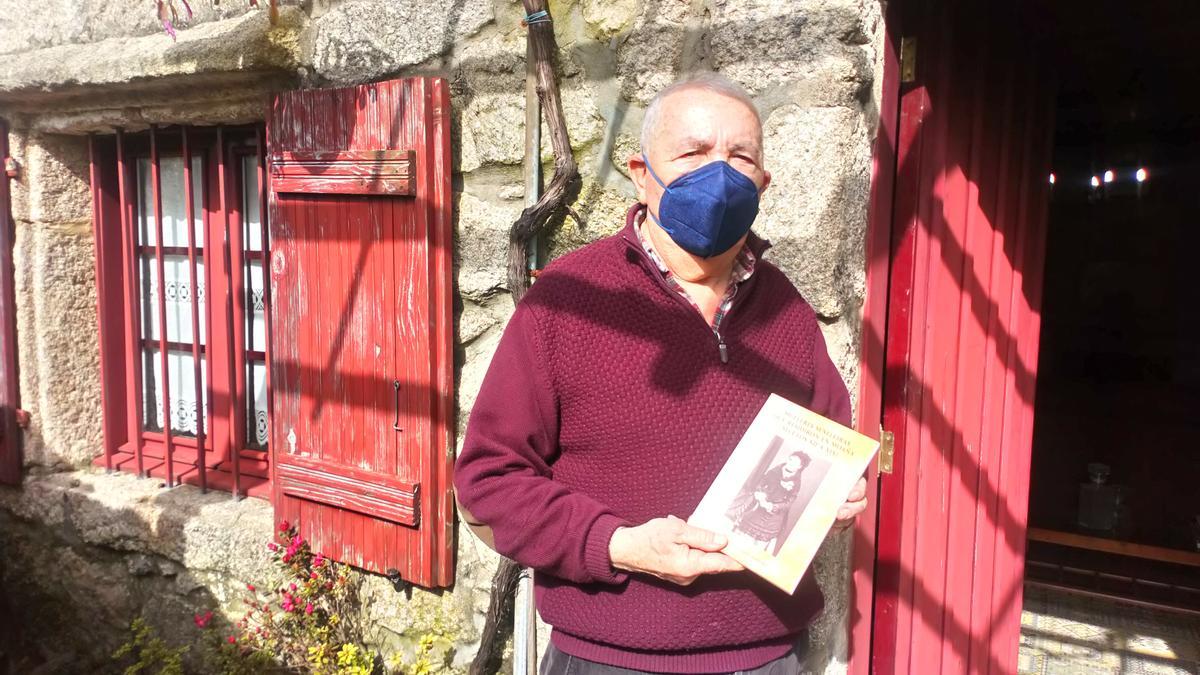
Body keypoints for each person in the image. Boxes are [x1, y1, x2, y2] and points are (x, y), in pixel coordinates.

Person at [453, 72, 869, 675]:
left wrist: (835, 494)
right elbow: (490, 482)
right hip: (608, 660)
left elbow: (828, 439)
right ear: (642, 173)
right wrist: (619, 546)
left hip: (768, 658)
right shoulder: (566, 302)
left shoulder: (788, 310)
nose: (719, 174)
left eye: (740, 157)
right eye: (694, 154)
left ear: (763, 182)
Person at [730, 451, 812, 554]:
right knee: (741, 538)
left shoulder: (796, 483)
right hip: (759, 507)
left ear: (800, 467)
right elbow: (760, 484)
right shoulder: (774, 472)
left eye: (795, 462)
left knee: (757, 548)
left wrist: (773, 506)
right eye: (790, 459)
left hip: (774, 516)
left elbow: (790, 502)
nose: (790, 463)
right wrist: (761, 495)